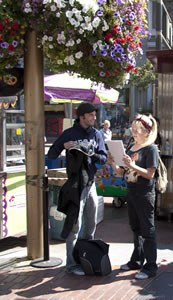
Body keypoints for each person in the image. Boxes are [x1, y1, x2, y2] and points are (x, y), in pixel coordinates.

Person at [47, 102, 107, 276]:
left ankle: (85, 258)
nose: (94, 118)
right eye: (91, 115)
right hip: (75, 186)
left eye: (95, 115)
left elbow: (103, 158)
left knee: (91, 224)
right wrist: (64, 146)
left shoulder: (96, 134)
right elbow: (52, 154)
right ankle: (71, 264)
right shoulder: (69, 134)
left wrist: (91, 153)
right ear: (82, 117)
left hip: (91, 185)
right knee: (75, 225)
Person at [110, 114, 159, 280]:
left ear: (146, 132)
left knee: (147, 230)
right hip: (131, 192)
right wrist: (113, 162)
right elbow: (121, 172)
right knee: (136, 228)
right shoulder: (131, 146)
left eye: (137, 131)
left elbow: (150, 174)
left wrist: (132, 165)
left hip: (144, 194)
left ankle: (151, 265)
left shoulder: (150, 149)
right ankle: (137, 259)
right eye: (133, 130)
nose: (134, 133)